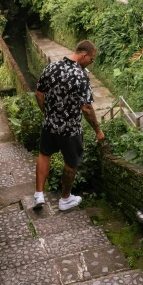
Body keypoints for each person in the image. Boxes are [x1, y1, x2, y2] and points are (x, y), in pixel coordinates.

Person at [33, 40, 105, 211]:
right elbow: (86, 108)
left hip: (49, 124)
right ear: (84, 55)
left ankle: (38, 194)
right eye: (91, 59)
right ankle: (65, 199)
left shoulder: (51, 67)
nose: (91, 63)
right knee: (71, 162)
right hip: (70, 129)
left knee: (44, 154)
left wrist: (47, 113)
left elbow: (38, 93)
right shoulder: (81, 75)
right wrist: (98, 130)